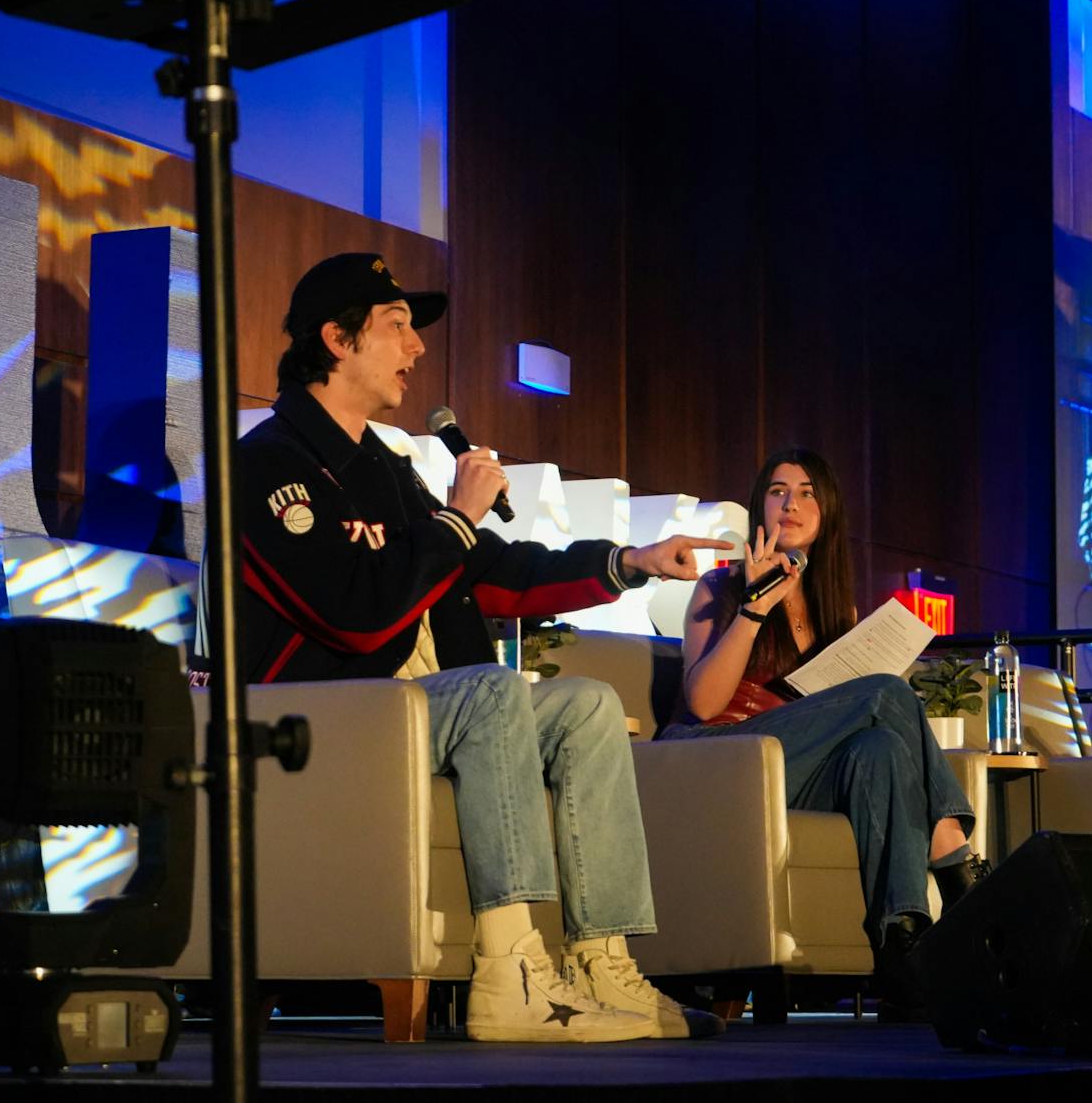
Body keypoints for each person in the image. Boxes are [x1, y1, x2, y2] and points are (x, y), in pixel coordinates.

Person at [205, 253, 730, 1042]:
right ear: (337, 339)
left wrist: (629, 562)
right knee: (489, 688)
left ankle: (602, 964)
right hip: (322, 719)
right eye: (396, 328)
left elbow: (495, 575)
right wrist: (454, 520)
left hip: (418, 712)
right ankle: (511, 973)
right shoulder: (267, 465)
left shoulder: (387, 467)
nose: (416, 350)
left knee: (587, 703)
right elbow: (354, 616)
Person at [659, 447, 982, 1012]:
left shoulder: (837, 608)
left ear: (827, 512)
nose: (792, 503)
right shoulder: (721, 587)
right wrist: (754, 608)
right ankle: (953, 856)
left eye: (808, 492)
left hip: (797, 767)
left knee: (881, 746)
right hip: (719, 759)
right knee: (886, 693)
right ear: (760, 506)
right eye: (779, 491)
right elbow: (705, 704)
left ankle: (903, 953)